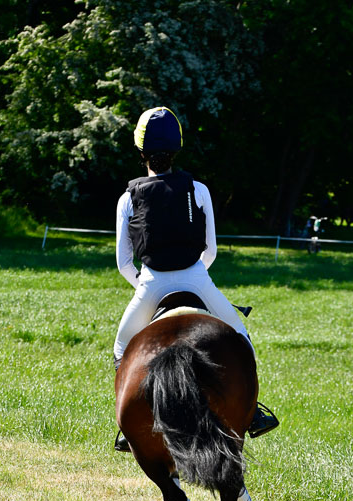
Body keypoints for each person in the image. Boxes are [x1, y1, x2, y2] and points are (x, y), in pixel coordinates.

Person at [113, 106, 278, 452]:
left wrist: (147, 286)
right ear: (177, 148)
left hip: (151, 284)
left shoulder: (127, 198)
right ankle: (254, 414)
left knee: (121, 349)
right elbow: (211, 251)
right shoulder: (198, 189)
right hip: (198, 279)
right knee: (240, 336)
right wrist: (193, 277)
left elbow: (124, 263)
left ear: (140, 151)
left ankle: (129, 428)